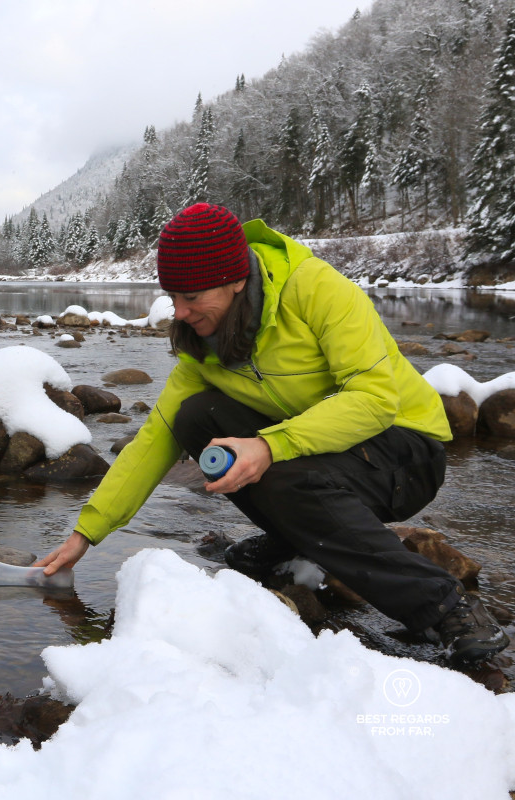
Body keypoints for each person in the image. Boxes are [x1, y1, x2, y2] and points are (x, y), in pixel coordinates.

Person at [35, 202, 509, 668]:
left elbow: (375, 400)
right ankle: (294, 538)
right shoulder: (207, 345)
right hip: (322, 449)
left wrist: (270, 446)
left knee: (285, 475)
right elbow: (157, 437)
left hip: (405, 449)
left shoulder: (316, 289)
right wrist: (86, 532)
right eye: (172, 296)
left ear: (237, 280)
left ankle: (447, 607)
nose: (178, 313)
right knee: (195, 418)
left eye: (192, 297)